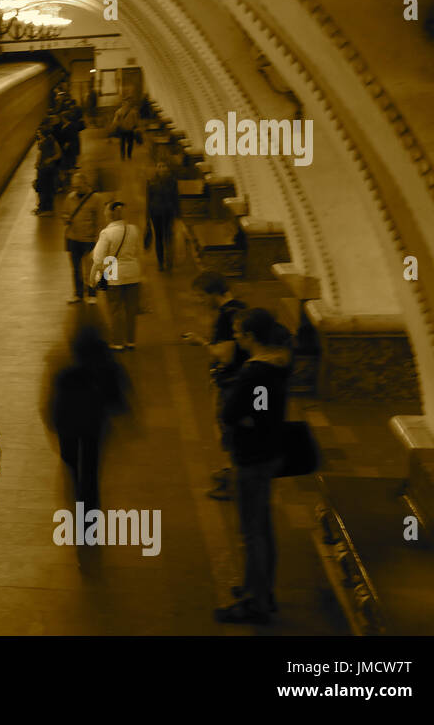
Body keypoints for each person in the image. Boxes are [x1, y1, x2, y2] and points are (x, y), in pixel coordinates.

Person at [214, 309, 292, 625]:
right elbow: (260, 410)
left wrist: (241, 417)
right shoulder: (278, 364)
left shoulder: (256, 374)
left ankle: (257, 602)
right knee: (262, 528)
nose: (235, 337)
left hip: (252, 457)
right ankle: (258, 588)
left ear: (252, 337)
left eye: (239, 332)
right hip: (268, 452)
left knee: (252, 531)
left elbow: (237, 413)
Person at [45, 322, 130, 528]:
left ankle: (78, 498)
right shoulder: (107, 363)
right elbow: (118, 397)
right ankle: (90, 516)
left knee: (72, 466)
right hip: (94, 425)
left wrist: (52, 422)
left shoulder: (64, 362)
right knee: (91, 470)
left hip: (67, 427)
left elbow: (51, 400)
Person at [183, 272, 249, 500]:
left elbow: (226, 355)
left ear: (213, 294)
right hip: (242, 381)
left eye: (202, 296)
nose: (200, 301)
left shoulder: (225, 317)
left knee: (230, 431)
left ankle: (234, 483)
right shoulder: (240, 307)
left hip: (232, 383)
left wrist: (200, 342)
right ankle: (233, 472)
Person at [91, 201, 142, 349]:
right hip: (133, 271)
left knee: (115, 308)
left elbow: (99, 258)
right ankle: (131, 340)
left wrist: (95, 276)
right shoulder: (134, 229)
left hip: (113, 268)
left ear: (109, 215)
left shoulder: (106, 233)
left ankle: (117, 341)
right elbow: (138, 251)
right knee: (131, 309)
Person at [62, 170, 105, 304]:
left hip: (89, 239)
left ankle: (92, 294)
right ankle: (78, 294)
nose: (76, 189)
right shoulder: (70, 198)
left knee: (90, 268)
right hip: (73, 238)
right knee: (75, 268)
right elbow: (64, 213)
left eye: (78, 187)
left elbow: (100, 220)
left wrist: (99, 240)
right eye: (74, 187)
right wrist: (66, 218)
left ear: (85, 184)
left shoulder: (96, 199)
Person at [144, 160, 179, 271]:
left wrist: (178, 214)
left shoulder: (172, 181)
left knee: (168, 236)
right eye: (159, 166)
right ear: (156, 168)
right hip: (156, 213)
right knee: (159, 238)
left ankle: (169, 261)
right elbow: (148, 200)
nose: (162, 168)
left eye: (164, 166)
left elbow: (176, 198)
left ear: (167, 168)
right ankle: (160, 262)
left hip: (169, 213)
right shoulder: (151, 182)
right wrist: (147, 218)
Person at [34, 124, 61, 215]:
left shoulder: (46, 142)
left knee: (43, 188)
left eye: (39, 132)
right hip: (47, 168)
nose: (38, 134)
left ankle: (45, 209)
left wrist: (40, 163)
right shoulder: (50, 141)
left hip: (45, 169)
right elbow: (58, 154)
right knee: (46, 188)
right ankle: (45, 208)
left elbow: (41, 155)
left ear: (43, 133)